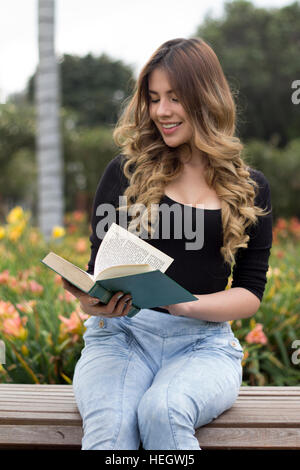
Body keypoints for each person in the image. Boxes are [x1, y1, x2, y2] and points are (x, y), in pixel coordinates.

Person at [62, 37, 273, 450]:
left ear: (206, 99)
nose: (161, 111)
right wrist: (90, 298)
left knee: (163, 410)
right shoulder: (125, 173)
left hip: (203, 344)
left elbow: (250, 293)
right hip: (120, 335)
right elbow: (98, 271)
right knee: (112, 429)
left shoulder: (249, 187)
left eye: (175, 98)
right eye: (154, 98)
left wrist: (183, 303)